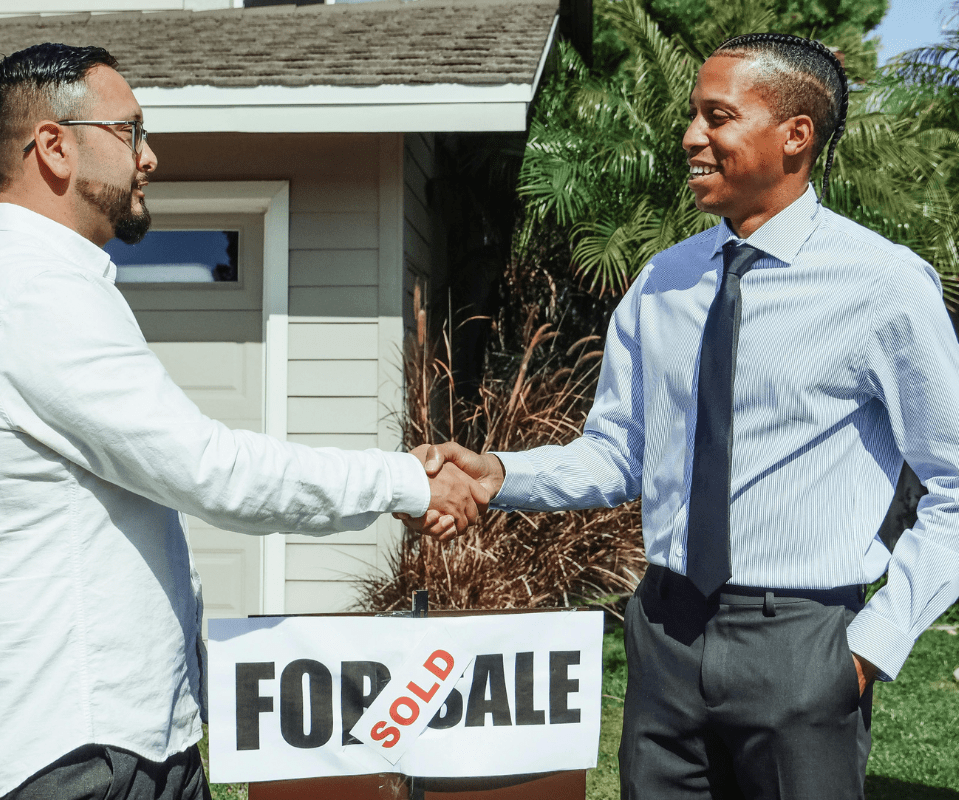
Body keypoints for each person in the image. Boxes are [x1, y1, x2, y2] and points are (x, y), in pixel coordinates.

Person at [0, 43, 486, 800]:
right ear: (54, 147)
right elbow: (208, 470)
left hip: (108, 742)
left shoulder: (38, 283)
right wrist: (404, 482)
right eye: (130, 133)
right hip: (81, 756)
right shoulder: (32, 295)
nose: (149, 157)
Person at [409, 33, 959, 799]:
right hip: (665, 634)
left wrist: (869, 646)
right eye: (692, 115)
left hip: (802, 645)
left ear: (795, 135)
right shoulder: (663, 282)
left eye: (718, 116)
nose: (691, 136)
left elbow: (955, 486)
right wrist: (499, 474)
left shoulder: (885, 286)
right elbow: (617, 455)